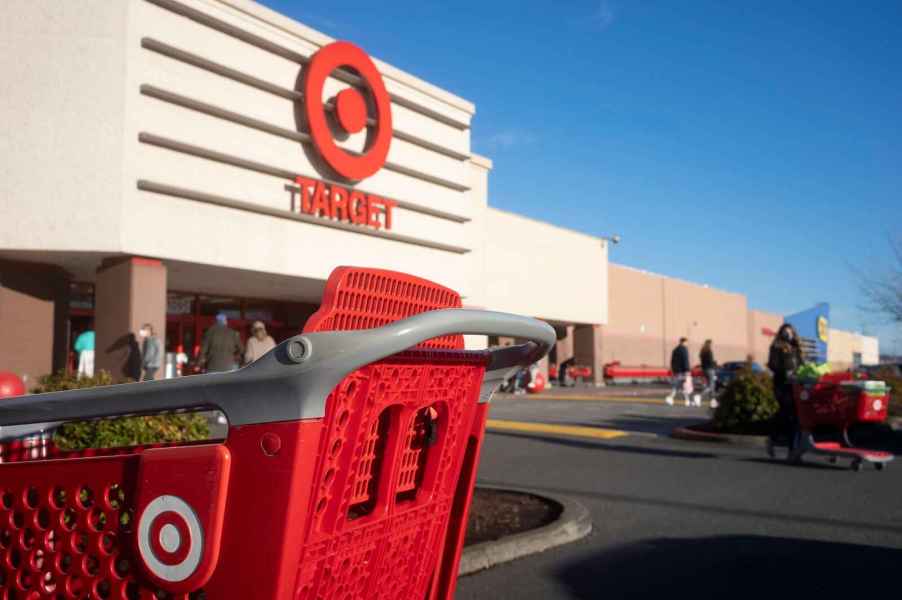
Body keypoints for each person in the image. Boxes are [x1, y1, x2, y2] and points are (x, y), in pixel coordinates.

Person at [767, 323, 804, 457]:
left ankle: (793, 450)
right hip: (782, 385)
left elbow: (802, 365)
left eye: (790, 332)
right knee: (787, 414)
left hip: (795, 386)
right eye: (785, 332)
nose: (788, 334)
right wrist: (785, 372)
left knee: (795, 416)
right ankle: (773, 438)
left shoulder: (796, 349)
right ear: (781, 333)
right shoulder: (776, 347)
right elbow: (772, 364)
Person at [666, 337, 693, 406]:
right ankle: (686, 401)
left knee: (678, 385)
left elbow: (672, 361)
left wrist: (673, 369)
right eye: (687, 342)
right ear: (684, 342)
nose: (687, 344)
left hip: (676, 371)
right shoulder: (684, 349)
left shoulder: (675, 349)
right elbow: (685, 360)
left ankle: (685, 400)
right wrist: (687, 370)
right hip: (683, 371)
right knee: (684, 386)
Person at [700, 339, 717, 407]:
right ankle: (699, 396)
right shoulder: (709, 351)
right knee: (711, 386)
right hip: (710, 369)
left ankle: (713, 402)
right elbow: (710, 361)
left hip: (704, 369)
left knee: (711, 386)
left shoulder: (703, 351)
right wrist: (714, 364)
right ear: (709, 344)